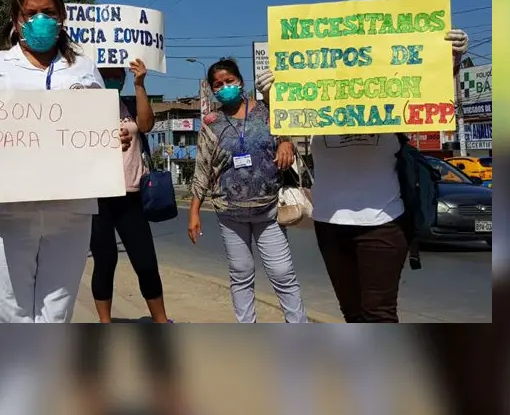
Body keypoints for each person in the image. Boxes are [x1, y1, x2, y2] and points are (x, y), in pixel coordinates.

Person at [0, 0, 132, 323]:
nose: (39, 20)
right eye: (30, 13)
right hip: (6, 209)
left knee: (57, 310)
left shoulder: (84, 67)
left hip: (72, 209)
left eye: (48, 12)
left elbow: (101, 124)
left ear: (61, 16)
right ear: (17, 21)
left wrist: (114, 137)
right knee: (8, 309)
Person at [256, 28, 470, 323]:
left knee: (379, 313)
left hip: (383, 222)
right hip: (329, 224)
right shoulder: (314, 105)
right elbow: (281, 129)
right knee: (352, 313)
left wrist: (452, 60)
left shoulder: (392, 99)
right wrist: (273, 97)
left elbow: (428, 87)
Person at [188, 58, 308, 323]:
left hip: (269, 211)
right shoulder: (211, 122)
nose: (225, 87)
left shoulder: (267, 111)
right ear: (211, 89)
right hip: (230, 213)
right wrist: (194, 211)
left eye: (229, 81)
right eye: (218, 84)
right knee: (241, 274)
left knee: (282, 273)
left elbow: (288, 136)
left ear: (240, 81)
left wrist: (286, 142)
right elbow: (203, 167)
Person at [93, 60, 171, 323]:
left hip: (131, 195)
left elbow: (147, 125)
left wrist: (140, 84)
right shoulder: (85, 107)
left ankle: (161, 321)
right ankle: (106, 324)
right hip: (98, 197)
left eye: (118, 72)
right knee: (105, 261)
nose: (115, 76)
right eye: (108, 72)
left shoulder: (129, 101)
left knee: (146, 262)